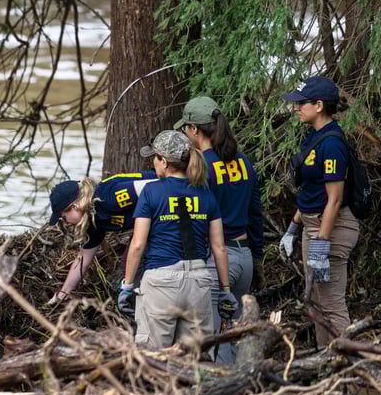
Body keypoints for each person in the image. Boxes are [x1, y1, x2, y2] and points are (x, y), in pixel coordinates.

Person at [122, 130, 233, 350]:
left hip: (161, 283)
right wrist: (225, 290)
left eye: (155, 158)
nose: (153, 163)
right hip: (198, 283)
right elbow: (219, 247)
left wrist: (127, 286)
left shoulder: (151, 192)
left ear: (164, 161)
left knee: (153, 358)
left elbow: (137, 244)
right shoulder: (205, 193)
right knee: (195, 360)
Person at [176, 96, 263, 362]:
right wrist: (257, 257)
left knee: (214, 339)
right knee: (232, 335)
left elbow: (195, 221)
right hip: (244, 256)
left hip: (217, 262)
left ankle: (220, 394)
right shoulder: (243, 162)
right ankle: (240, 390)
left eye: (185, 129)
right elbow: (255, 213)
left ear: (194, 130)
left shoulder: (201, 168)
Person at [278, 76, 359, 348]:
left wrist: (321, 244)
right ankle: (325, 362)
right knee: (316, 302)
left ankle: (347, 366)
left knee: (332, 303)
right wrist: (293, 228)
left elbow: (334, 200)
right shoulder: (314, 136)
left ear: (320, 105)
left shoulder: (332, 143)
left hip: (332, 229)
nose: (297, 108)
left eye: (302, 103)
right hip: (312, 226)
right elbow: (312, 194)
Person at [45, 171, 158, 305]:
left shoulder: (109, 197)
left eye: (64, 217)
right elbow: (83, 260)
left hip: (170, 209)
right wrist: (62, 295)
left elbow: (156, 186)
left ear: (74, 206)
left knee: (136, 271)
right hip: (151, 223)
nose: (66, 222)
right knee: (127, 272)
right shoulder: (94, 222)